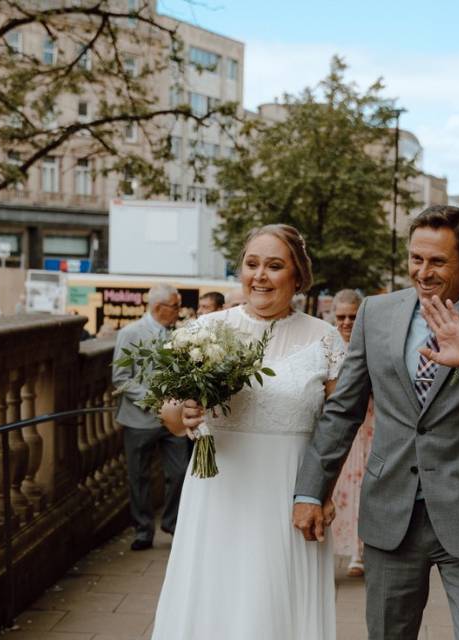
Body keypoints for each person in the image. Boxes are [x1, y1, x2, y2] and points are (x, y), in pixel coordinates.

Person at [293, 205, 459, 640]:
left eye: (437, 261)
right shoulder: (376, 313)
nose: (423, 272)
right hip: (390, 512)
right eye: (416, 259)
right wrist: (310, 489)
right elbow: (343, 410)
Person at [152, 224, 344, 640]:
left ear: (298, 276)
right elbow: (166, 409)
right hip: (219, 492)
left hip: (290, 494)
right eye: (251, 264)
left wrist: (324, 490)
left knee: (276, 606)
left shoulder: (326, 339)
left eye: (274, 266)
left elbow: (340, 423)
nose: (260, 275)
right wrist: (180, 413)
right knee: (215, 599)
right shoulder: (206, 329)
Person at [112, 284, 192, 552]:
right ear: (159, 308)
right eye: (175, 307)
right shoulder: (129, 333)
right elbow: (121, 379)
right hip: (138, 420)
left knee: (181, 471)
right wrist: (154, 400)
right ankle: (143, 530)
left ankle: (171, 522)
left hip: (173, 422)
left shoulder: (178, 335)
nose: (179, 312)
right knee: (139, 477)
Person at [328, 289, 373, 578]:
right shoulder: (326, 345)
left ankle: (360, 552)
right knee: (336, 489)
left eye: (353, 317)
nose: (346, 323)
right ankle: (331, 549)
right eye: (341, 317)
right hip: (335, 429)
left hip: (368, 426)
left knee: (362, 489)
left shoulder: (370, 345)